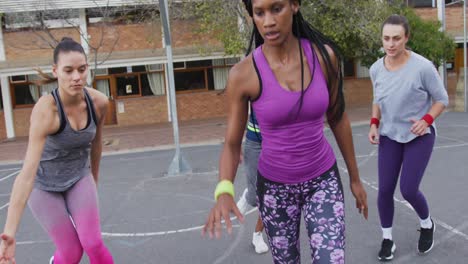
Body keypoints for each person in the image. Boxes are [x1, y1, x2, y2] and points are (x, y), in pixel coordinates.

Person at [203, 0, 368, 263]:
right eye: (259, 13)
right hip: (275, 189)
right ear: (253, 17)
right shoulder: (243, 74)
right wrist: (224, 190)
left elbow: (338, 119)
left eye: (276, 8)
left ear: (294, 5)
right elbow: (233, 144)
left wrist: (355, 179)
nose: (268, 21)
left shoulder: (324, 57)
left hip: (322, 181)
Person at [0, 37, 114, 264]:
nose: (76, 77)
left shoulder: (99, 103)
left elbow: (97, 144)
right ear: (55, 71)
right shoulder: (46, 111)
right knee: (72, 252)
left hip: (79, 178)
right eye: (68, 70)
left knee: (93, 243)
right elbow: (27, 175)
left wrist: (93, 181)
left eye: (82, 69)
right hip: (44, 187)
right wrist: (9, 233)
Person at [368, 14, 448, 262]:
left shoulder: (422, 67)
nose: (390, 44)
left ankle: (427, 224)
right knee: (384, 191)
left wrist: (426, 120)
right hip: (390, 135)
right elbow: (377, 99)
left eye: (396, 38)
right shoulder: (375, 69)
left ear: (406, 38)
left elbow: (442, 100)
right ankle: (387, 239)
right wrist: (373, 123)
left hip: (419, 136)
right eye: (386, 39)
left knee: (409, 189)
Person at [236, 112, 269, 254]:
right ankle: (249, 195)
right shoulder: (254, 88)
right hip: (254, 141)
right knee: (256, 196)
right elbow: (239, 110)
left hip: (280, 141)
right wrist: (235, 143)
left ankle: (257, 235)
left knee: (269, 196)